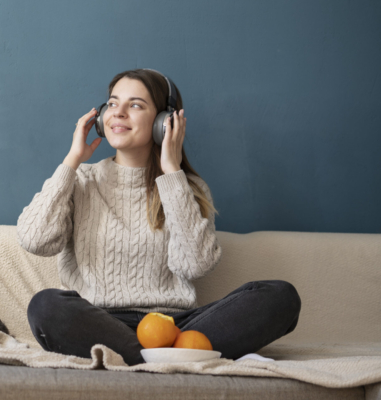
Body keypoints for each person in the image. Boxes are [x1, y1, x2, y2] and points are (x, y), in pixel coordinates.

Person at [17, 68, 301, 366]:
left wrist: (172, 173)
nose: (119, 113)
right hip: (99, 323)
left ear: (165, 122)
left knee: (281, 297)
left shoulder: (186, 186)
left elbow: (194, 265)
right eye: (112, 104)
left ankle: (142, 360)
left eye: (136, 105)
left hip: (175, 327)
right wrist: (72, 160)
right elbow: (35, 240)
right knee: (46, 306)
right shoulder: (81, 180)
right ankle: (172, 362)